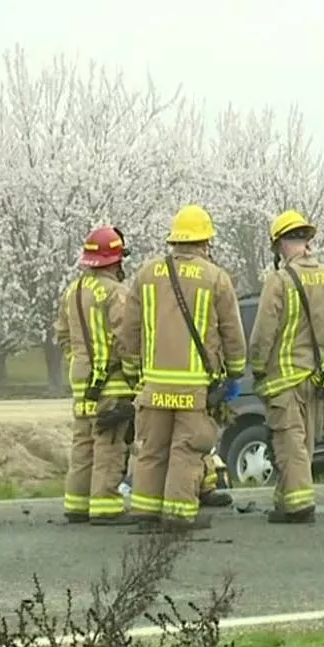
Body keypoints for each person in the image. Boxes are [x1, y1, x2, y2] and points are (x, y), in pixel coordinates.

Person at [119, 205, 247, 531]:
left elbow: (129, 332)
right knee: (187, 451)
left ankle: (145, 513)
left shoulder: (146, 274)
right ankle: (177, 515)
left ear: (174, 240)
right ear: (205, 241)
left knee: (151, 450)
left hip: (153, 387)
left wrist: (135, 374)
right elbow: (232, 333)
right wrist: (234, 373)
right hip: (194, 389)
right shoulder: (216, 278)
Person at [248, 209, 324, 525]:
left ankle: (297, 506)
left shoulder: (280, 281)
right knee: (304, 444)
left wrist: (258, 366)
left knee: (288, 443)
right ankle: (286, 500)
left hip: (284, 380)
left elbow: (264, 331)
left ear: (280, 245)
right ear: (306, 240)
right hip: (316, 379)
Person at [54, 226, 137, 525]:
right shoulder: (116, 293)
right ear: (115, 260)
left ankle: (77, 504)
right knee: (109, 444)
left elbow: (63, 336)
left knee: (83, 444)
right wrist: (134, 376)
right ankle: (106, 507)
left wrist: (79, 362)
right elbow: (127, 339)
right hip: (111, 381)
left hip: (80, 381)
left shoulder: (72, 292)